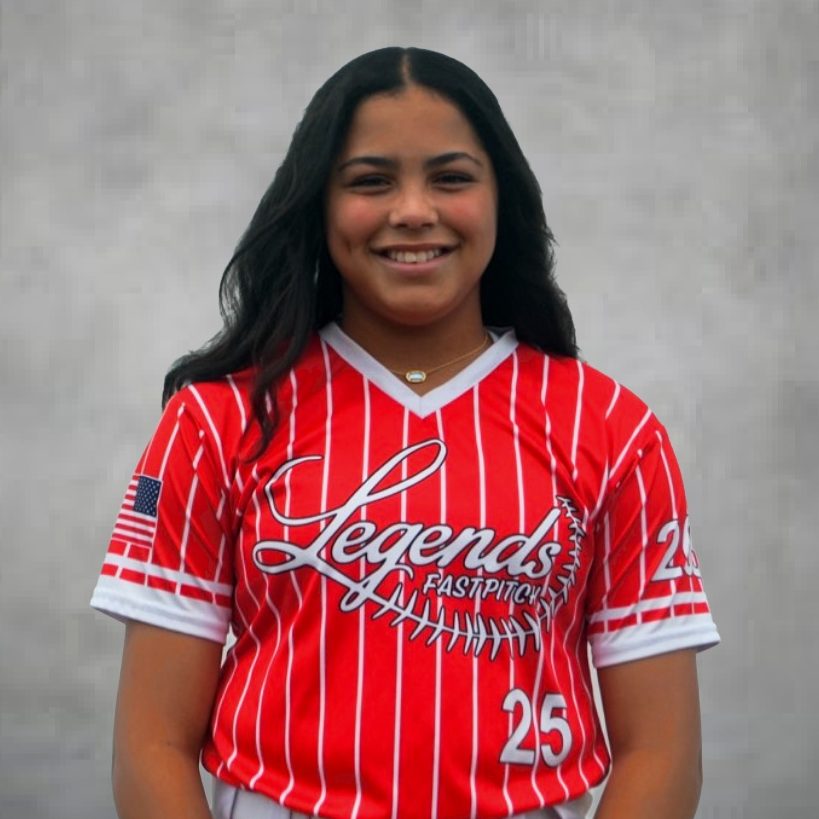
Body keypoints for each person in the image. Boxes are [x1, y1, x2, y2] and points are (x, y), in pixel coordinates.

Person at [91, 47, 720, 819]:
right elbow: (151, 743)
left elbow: (661, 753)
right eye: (370, 181)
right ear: (319, 205)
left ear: (502, 199)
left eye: (451, 178)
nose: (414, 210)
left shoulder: (615, 431)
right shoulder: (214, 423)